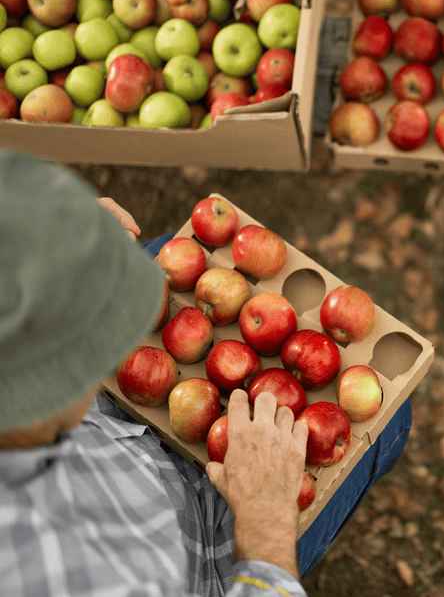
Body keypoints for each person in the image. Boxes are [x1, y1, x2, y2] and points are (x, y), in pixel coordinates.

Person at [0, 151, 309, 597]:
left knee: (163, 251)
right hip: (209, 548)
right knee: (394, 422)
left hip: (127, 441)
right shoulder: (63, 576)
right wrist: (264, 527)